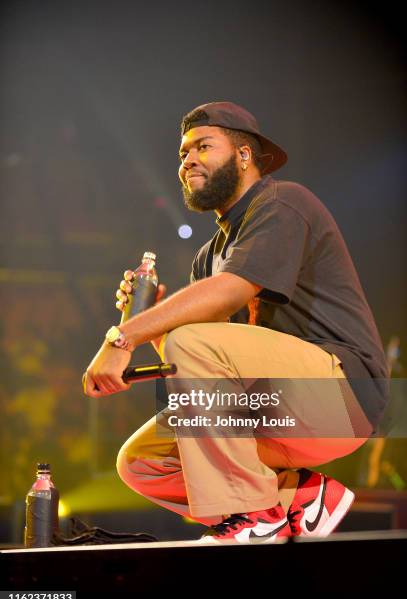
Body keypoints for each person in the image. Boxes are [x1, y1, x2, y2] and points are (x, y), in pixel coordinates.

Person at [84, 101, 389, 543]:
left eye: (203, 147)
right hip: (274, 412)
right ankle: (299, 496)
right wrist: (150, 322)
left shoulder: (283, 203)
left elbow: (228, 298)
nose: (188, 160)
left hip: (343, 397)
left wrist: (124, 337)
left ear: (244, 156)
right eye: (182, 153)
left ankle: (253, 515)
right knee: (141, 461)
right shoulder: (207, 258)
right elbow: (201, 371)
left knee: (191, 340)